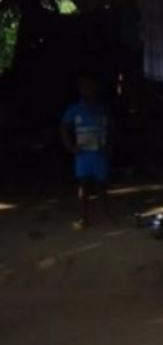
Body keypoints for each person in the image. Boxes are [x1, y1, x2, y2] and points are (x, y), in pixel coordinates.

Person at [61, 74, 111, 229]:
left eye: (90, 86)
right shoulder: (74, 109)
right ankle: (84, 217)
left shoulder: (102, 109)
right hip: (83, 154)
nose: (88, 89)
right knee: (83, 185)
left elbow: (110, 128)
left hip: (99, 153)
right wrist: (70, 146)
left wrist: (109, 145)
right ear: (80, 89)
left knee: (102, 184)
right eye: (84, 87)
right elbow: (63, 127)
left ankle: (105, 214)